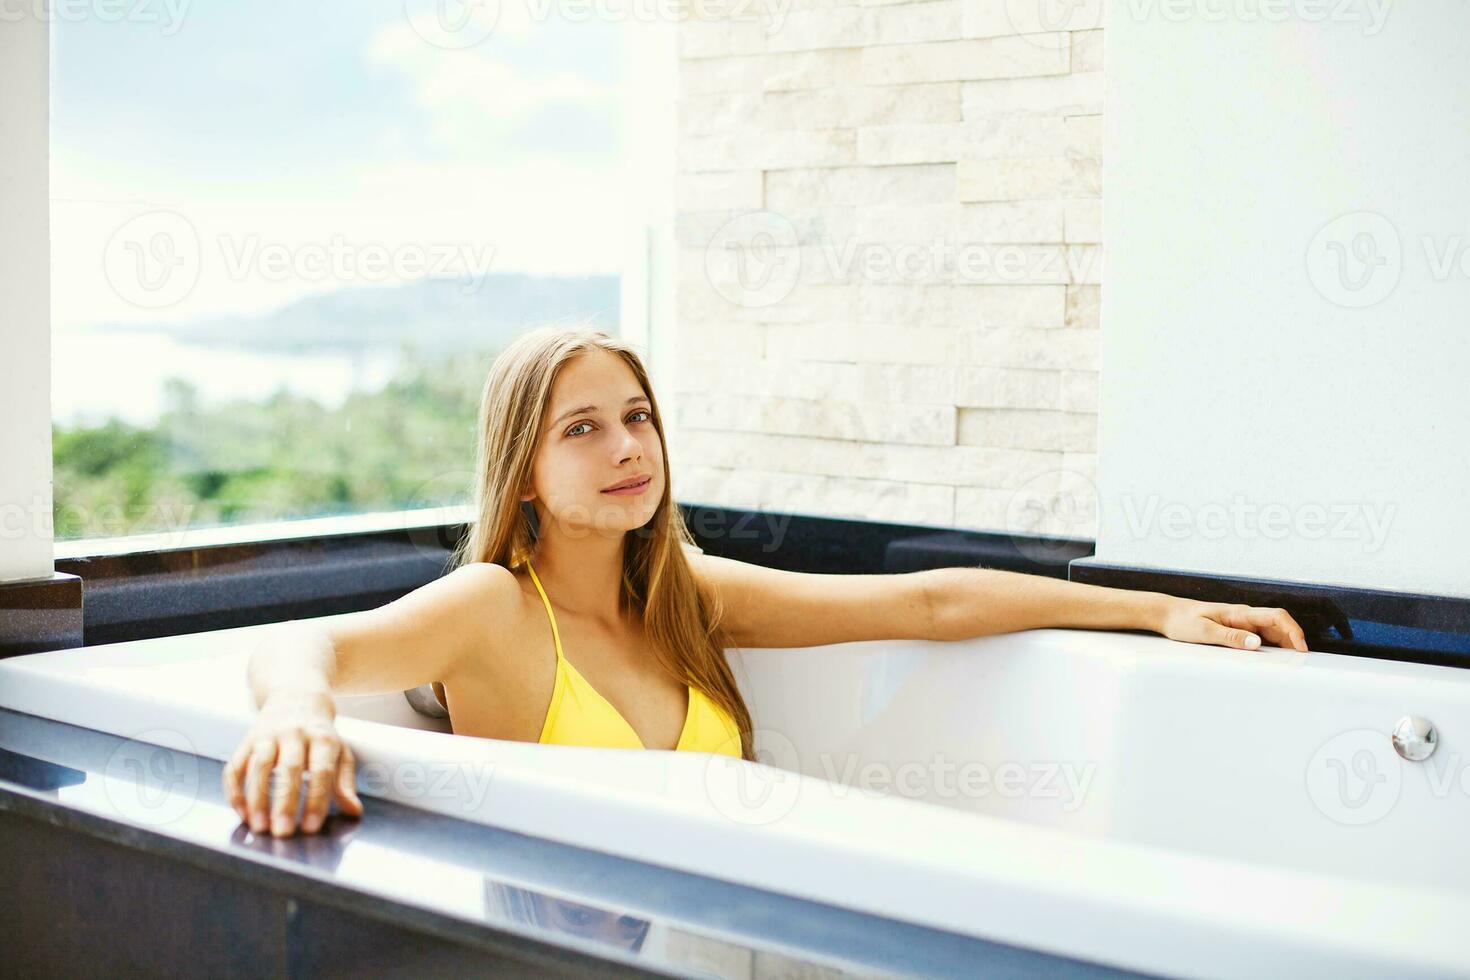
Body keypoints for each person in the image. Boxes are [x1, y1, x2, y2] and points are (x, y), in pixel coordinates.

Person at [223, 326, 1310, 838]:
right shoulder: (497, 606)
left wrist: (1155, 607)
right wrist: (296, 711)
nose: (624, 446)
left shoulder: (684, 593)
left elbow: (928, 605)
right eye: (583, 428)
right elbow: (302, 646)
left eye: (638, 416)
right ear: (525, 477)